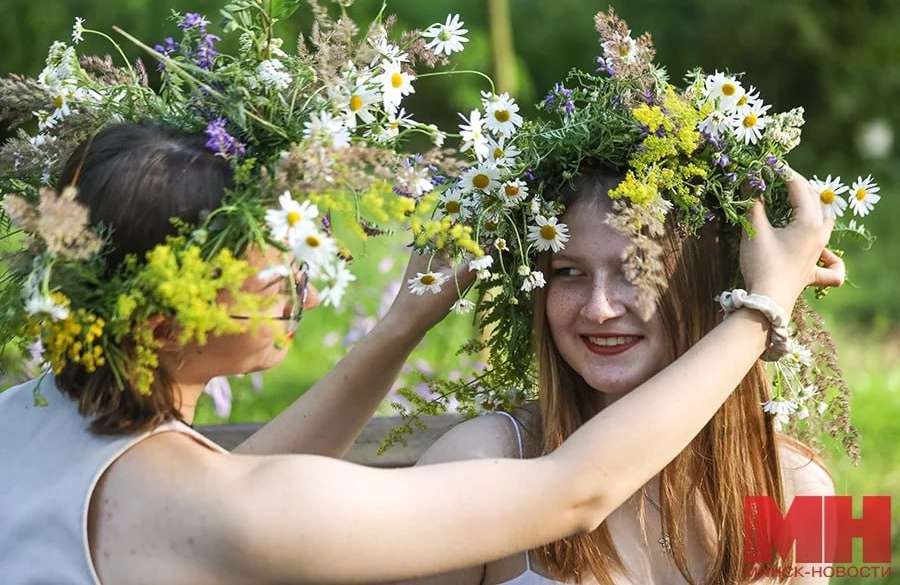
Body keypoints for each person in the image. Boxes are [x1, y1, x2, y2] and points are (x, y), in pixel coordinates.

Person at [0, 119, 843, 584]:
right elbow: (574, 492)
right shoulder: (483, 453)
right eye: (269, 260)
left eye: (637, 271)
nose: (309, 274)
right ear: (163, 316)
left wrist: (402, 326)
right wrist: (762, 309)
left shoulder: (811, 490)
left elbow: (234, 491)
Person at [400, 168, 842, 585]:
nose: (598, 308)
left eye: (635, 270)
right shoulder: (481, 464)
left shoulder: (801, 487)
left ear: (712, 285)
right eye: (569, 272)